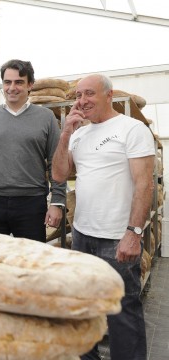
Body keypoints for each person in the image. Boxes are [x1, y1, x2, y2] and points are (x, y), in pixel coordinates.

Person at [52, 74, 154, 360]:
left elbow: (144, 183)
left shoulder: (131, 129)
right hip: (83, 235)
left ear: (109, 95)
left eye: (90, 94)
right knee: (84, 309)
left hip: (117, 236)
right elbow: (60, 174)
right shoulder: (80, 132)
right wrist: (65, 135)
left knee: (122, 312)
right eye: (79, 95)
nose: (82, 101)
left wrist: (134, 233)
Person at [0, 59, 66, 242]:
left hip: (31, 204)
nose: (12, 87)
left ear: (30, 85)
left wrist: (57, 202)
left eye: (19, 82)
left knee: (30, 261)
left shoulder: (46, 117)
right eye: (7, 82)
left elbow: (57, 163)